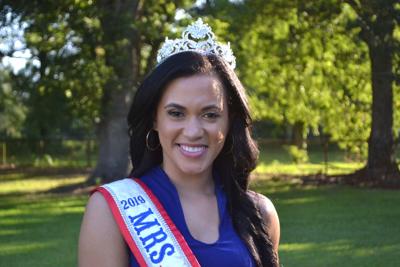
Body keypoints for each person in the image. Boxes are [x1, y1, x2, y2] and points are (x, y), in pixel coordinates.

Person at [78, 19, 280, 267]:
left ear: (229, 123)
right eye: (176, 113)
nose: (193, 131)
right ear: (154, 119)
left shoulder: (259, 214)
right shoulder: (109, 211)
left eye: (210, 115)